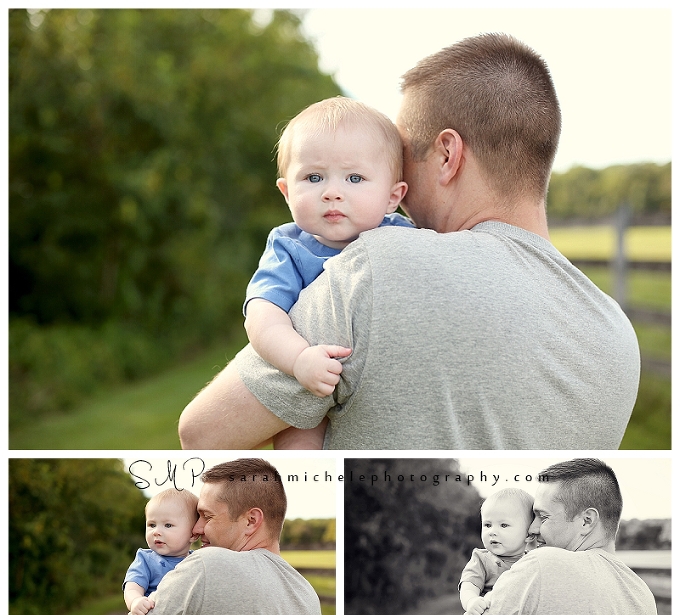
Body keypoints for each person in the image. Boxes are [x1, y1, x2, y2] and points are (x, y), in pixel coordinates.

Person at [178, 33, 640, 450]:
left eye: (403, 162)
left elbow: (202, 431)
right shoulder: (618, 335)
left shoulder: (382, 265)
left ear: (446, 155)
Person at [243, 97, 410, 449]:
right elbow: (262, 314)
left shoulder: (405, 237)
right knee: (298, 438)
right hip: (309, 378)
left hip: (383, 384)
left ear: (393, 196)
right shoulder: (289, 247)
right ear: (286, 192)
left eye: (354, 177)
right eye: (314, 177)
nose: (332, 193)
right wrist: (299, 359)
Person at [431, 458, 658, 615]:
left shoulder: (543, 565)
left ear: (586, 521)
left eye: (543, 517)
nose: (532, 528)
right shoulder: (644, 598)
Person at [95, 458, 323, 615]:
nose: (196, 528)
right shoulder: (308, 596)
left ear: (251, 521)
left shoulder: (207, 565)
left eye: (207, 516)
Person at [122, 488, 199, 615]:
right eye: (151, 524)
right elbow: (132, 585)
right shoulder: (146, 559)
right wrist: (135, 602)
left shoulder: (198, 561)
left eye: (168, 525)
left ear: (193, 534)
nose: (157, 532)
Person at [459, 488, 535, 615]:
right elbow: (469, 584)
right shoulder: (482, 558)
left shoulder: (533, 562)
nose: (493, 532)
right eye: (487, 525)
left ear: (529, 534)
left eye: (503, 526)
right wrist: (471, 602)